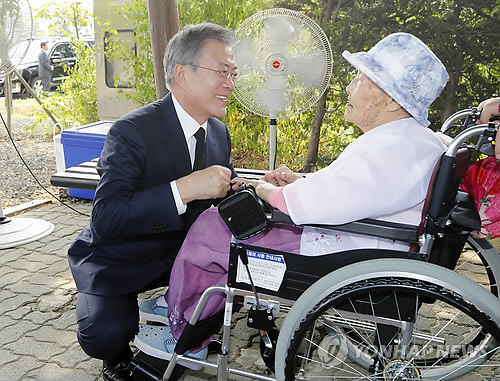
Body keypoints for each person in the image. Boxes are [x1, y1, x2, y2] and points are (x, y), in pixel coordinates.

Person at [134, 32, 449, 357]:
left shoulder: (392, 148)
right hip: (366, 244)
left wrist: (265, 189)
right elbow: (358, 191)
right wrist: (300, 182)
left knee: (214, 227)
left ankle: (186, 330)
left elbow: (323, 201)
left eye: (360, 78)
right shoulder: (411, 141)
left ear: (392, 99)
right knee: (225, 222)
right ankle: (187, 300)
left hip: (340, 254)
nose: (348, 87)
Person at [67, 23, 238, 381]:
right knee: (104, 334)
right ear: (182, 74)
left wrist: (254, 188)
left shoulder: (219, 131)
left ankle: (171, 317)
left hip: (182, 257)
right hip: (120, 257)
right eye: (222, 71)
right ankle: (115, 359)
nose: (231, 83)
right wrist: (184, 188)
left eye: (233, 73)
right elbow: (107, 218)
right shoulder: (131, 132)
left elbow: (220, 196)